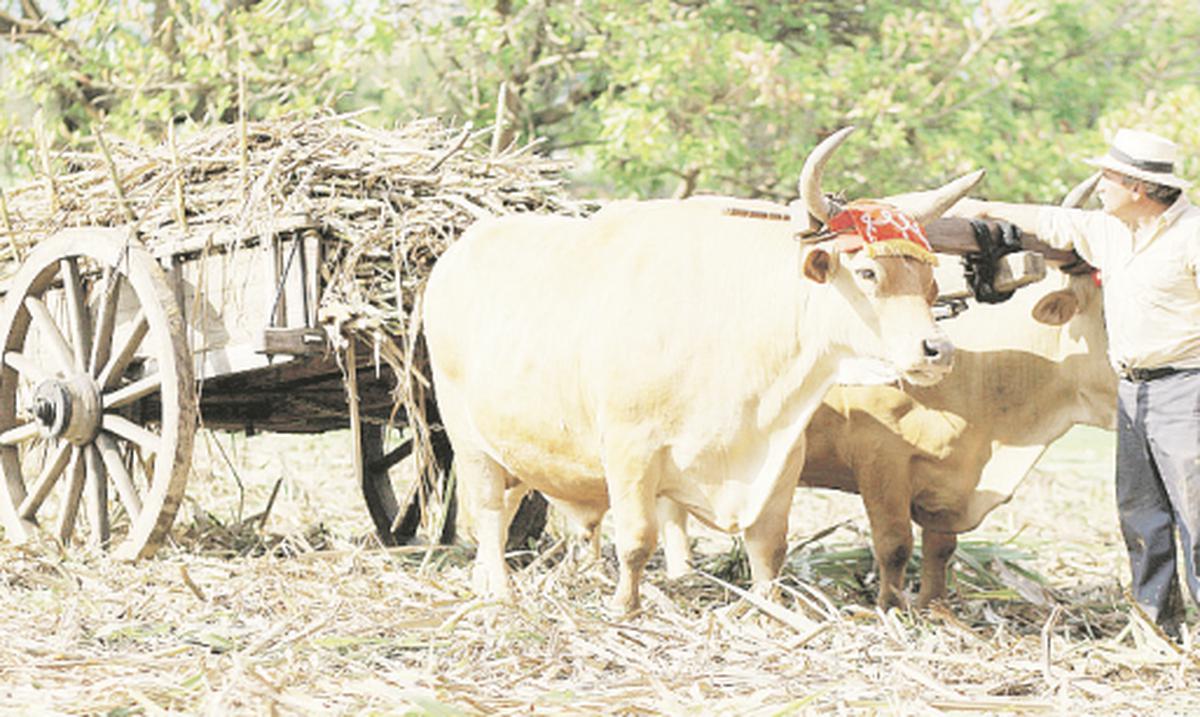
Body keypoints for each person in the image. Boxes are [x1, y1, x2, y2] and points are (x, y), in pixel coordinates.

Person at [957, 128, 1200, 639]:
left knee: (1197, 516)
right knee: (1142, 513)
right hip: (1133, 388)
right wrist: (976, 206)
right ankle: (1158, 628)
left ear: (1138, 187)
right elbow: (1050, 219)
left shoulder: (1193, 235)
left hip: (1188, 388)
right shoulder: (1112, 231)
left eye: (1109, 176)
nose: (1100, 184)